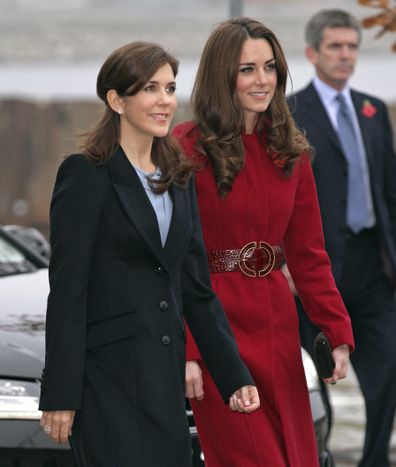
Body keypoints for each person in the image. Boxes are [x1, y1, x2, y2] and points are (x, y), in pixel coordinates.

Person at [38, 41, 261, 467]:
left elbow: (195, 288)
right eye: (150, 89)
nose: (165, 101)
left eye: (170, 88)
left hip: (163, 379)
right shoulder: (86, 174)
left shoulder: (179, 176)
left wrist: (232, 374)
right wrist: (61, 393)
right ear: (116, 100)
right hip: (107, 382)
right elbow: (68, 291)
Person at [173, 17, 354, 467]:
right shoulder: (185, 147)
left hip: (276, 324)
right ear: (222, 76)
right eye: (247, 69)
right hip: (215, 325)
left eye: (269, 67)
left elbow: (310, 254)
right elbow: (174, 259)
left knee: (295, 456)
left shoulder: (289, 149)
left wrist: (335, 333)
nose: (263, 80)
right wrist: (190, 351)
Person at [288, 9, 396, 467]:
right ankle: (322, 457)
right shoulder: (290, 113)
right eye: (335, 46)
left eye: (352, 46)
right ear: (313, 53)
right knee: (317, 376)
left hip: (374, 268)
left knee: (388, 366)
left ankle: (374, 460)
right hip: (315, 272)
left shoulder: (373, 111)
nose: (345, 55)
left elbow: (388, 191)